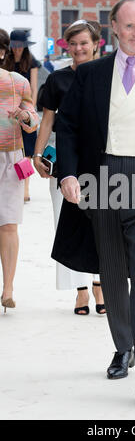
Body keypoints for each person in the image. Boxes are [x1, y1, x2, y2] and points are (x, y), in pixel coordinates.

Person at [52, 0, 135, 401]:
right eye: (129, 26)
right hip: (102, 178)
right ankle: (123, 346)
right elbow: (69, 127)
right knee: (112, 272)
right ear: (113, 27)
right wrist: (68, 173)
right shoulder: (90, 74)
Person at [33, 20, 106, 316]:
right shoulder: (57, 80)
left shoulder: (109, 76)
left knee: (102, 224)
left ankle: (101, 283)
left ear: (95, 44)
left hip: (102, 161)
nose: (78, 49)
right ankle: (80, 290)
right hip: (65, 161)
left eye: (83, 43)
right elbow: (48, 120)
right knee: (66, 224)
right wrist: (37, 154)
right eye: (73, 44)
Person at [0, 29, 39, 313]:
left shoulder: (18, 82)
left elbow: (33, 118)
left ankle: (8, 287)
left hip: (9, 158)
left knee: (9, 224)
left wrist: (25, 116)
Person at [3, 30, 39, 202]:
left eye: (20, 46)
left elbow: (33, 88)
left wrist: (30, 111)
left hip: (25, 108)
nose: (17, 49)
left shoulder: (31, 62)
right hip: (8, 112)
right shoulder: (6, 61)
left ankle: (25, 187)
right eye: (14, 46)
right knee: (12, 150)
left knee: (28, 151)